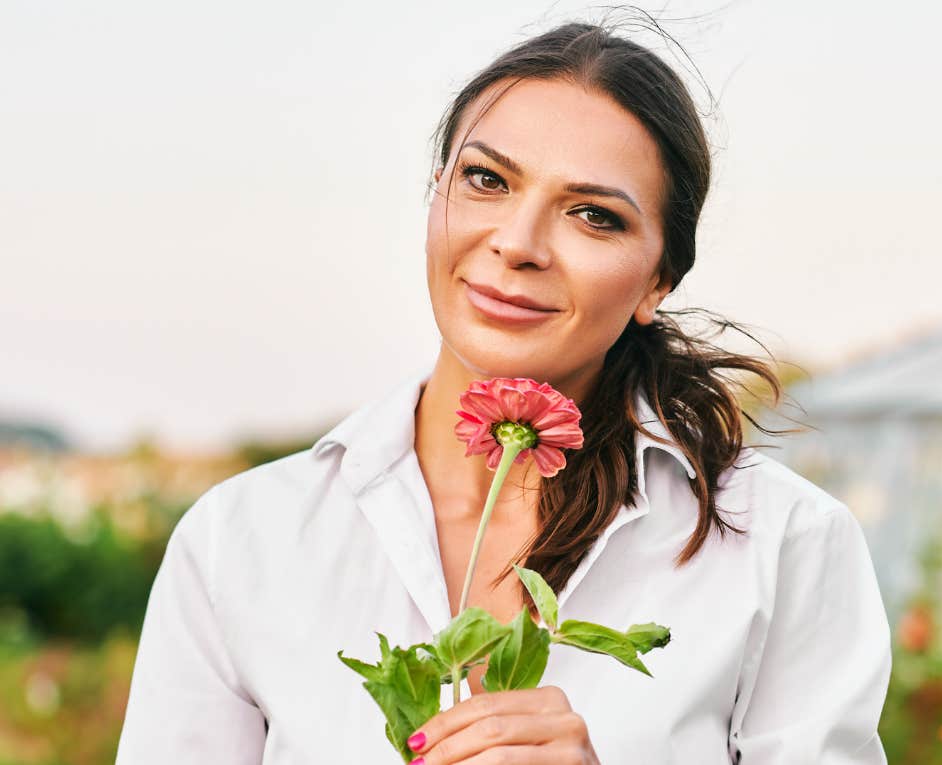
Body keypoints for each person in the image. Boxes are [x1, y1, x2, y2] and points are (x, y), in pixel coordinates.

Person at [116, 20, 890, 765]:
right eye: (486, 179)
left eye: (593, 215)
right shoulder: (244, 541)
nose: (517, 243)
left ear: (658, 279)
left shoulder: (784, 545)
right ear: (435, 194)